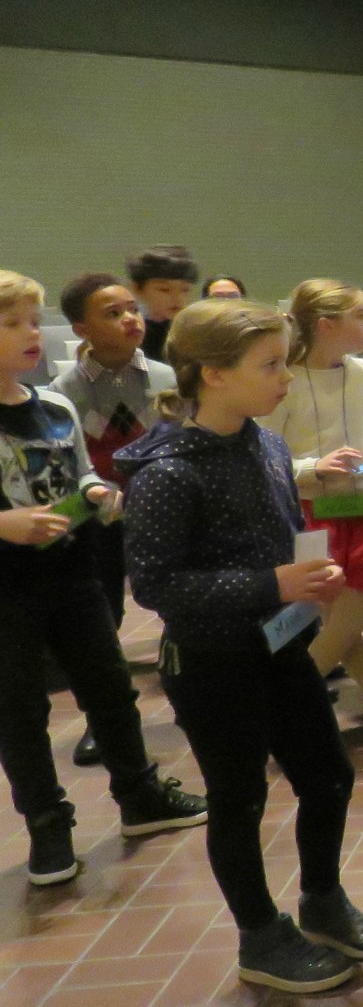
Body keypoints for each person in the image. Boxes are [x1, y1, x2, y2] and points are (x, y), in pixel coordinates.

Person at [122, 298, 363, 993]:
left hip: (279, 646)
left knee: (327, 774)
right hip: (213, 663)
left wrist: (306, 572)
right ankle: (259, 934)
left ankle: (323, 899)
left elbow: (272, 513)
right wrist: (272, 581)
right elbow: (158, 587)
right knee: (239, 798)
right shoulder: (168, 472)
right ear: (212, 375)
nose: (284, 377)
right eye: (269, 365)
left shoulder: (265, 442)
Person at [0, 271, 208, 888]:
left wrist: (93, 491)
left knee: (111, 687)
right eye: (11, 324)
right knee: (19, 709)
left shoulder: (54, 406)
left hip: (72, 574)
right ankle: (47, 824)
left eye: (33, 322)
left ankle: (139, 795)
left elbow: (81, 472)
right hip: (6, 589)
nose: (31, 334)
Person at [266, 279, 363, 744]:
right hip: (309, 510)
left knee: (350, 614)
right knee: (337, 616)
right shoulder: (285, 379)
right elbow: (266, 454)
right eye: (359, 317)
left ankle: (285, 704)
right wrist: (312, 466)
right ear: (326, 325)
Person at [52, 272, 176, 721]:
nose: (130, 319)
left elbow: (173, 445)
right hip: (99, 517)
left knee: (174, 600)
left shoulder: (166, 377)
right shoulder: (63, 392)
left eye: (132, 309)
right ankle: (106, 714)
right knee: (104, 612)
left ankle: (187, 692)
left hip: (160, 511)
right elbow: (72, 465)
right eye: (112, 313)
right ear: (80, 330)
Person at [129, 244, 197, 361]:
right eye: (164, 289)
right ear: (138, 289)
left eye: (185, 289)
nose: (177, 298)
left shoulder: (196, 335)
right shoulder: (130, 332)